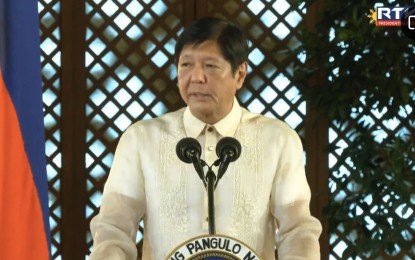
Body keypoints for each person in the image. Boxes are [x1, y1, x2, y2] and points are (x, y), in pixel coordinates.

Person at [90, 16, 322, 259]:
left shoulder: (278, 140)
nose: (196, 77)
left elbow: (297, 230)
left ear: (240, 74)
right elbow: (113, 229)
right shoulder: (141, 140)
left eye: (210, 66)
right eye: (186, 65)